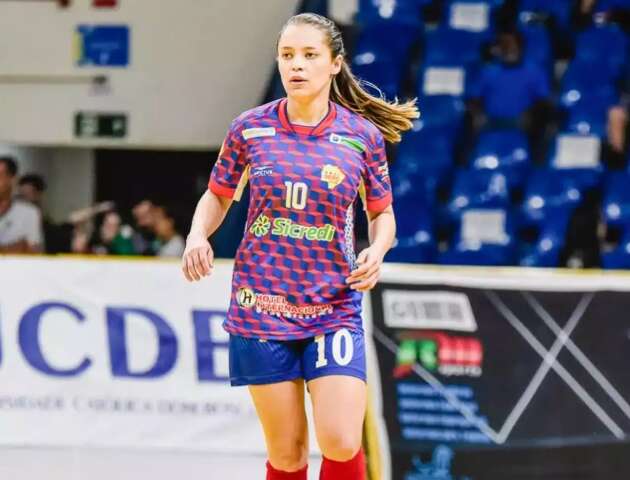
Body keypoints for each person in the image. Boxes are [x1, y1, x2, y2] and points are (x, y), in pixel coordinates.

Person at [182, 13, 418, 480]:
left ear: (334, 64)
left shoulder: (361, 136)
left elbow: (382, 212)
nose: (297, 65)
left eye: (310, 55)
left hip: (333, 304)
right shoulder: (249, 129)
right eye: (288, 55)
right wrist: (196, 235)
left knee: (342, 439)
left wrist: (378, 249)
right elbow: (219, 194)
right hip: (261, 306)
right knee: (288, 454)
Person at [0, 157, 43, 254]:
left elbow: (33, 250)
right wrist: (16, 246)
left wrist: (23, 246)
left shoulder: (29, 213)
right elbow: (22, 247)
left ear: (12, 179)